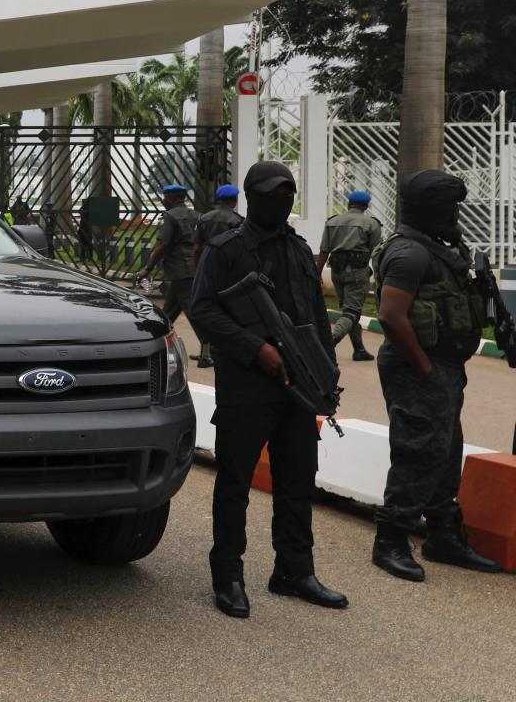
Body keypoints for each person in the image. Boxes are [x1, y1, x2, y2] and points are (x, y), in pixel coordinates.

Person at [189, 161, 348, 619]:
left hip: (299, 387)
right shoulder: (227, 250)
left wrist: (325, 373)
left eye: (288, 194)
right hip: (247, 386)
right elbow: (203, 311)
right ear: (250, 196)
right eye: (272, 194)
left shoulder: (299, 250)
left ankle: (295, 571)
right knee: (235, 482)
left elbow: (316, 314)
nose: (281, 201)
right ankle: (228, 576)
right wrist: (256, 348)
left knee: (298, 481)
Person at [370, 170, 501, 581]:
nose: (455, 214)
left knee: (445, 450)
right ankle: (390, 540)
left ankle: (443, 536)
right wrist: (425, 370)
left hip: (441, 366)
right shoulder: (410, 253)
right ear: (430, 210)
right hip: (417, 366)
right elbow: (390, 315)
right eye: (449, 207)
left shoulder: (438, 246)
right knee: (418, 450)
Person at [317, 191, 381, 362]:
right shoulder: (371, 224)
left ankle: (359, 350)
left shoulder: (333, 222)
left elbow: (324, 250)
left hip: (336, 272)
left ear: (349, 204)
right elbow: (376, 253)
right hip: (357, 273)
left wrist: (317, 274)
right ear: (366, 206)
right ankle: (330, 342)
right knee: (352, 311)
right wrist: (381, 276)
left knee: (349, 311)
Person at [191, 185, 244, 368]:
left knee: (207, 310)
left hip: (207, 269)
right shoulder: (237, 221)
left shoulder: (204, 218)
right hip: (228, 273)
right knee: (227, 312)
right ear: (235, 201)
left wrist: (198, 269)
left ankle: (205, 353)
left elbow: (197, 248)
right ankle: (222, 351)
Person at [138, 184, 199, 328]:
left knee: (193, 312)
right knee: (169, 311)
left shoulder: (170, 216)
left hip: (179, 270)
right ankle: (157, 334)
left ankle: (211, 346)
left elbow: (161, 245)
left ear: (171, 198)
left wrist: (148, 269)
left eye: (164, 197)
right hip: (193, 267)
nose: (163, 200)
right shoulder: (197, 215)